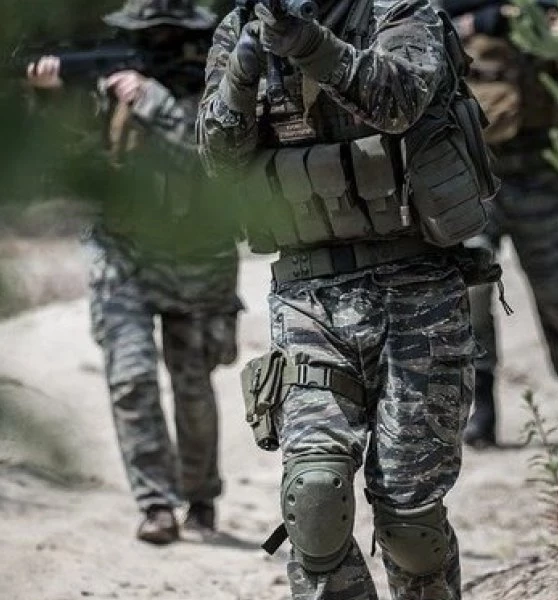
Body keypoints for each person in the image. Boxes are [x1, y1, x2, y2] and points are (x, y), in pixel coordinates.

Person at [197, 0, 497, 598]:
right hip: (307, 299)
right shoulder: (240, 28)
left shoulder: (399, 11)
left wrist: (308, 43)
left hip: (418, 290)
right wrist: (244, 69)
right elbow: (217, 159)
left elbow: (398, 102)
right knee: (314, 499)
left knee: (410, 519)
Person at [26, 0, 241, 545]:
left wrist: (154, 100)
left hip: (198, 256)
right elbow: (66, 156)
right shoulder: (111, 86)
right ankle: (155, 504)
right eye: (148, 36)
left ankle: (200, 498)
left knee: (192, 385)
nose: (157, 46)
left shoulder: (225, 84)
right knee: (131, 378)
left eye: (169, 36)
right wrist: (50, 97)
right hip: (121, 251)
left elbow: (213, 159)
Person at [442, 0, 558, 446]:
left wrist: (557, 26)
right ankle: (482, 406)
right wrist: (481, 21)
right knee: (472, 290)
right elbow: (420, 35)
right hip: (475, 173)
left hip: (541, 170)